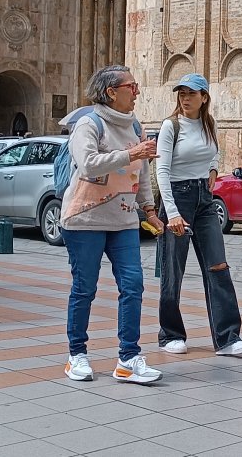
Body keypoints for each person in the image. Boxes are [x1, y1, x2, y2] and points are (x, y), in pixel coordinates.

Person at [58, 64, 165, 383]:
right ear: (111, 92)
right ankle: (76, 354)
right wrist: (132, 153)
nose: (137, 93)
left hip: (123, 219)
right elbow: (87, 163)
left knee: (132, 286)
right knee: (85, 288)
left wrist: (148, 209)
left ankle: (128, 359)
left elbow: (142, 172)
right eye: (131, 87)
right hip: (84, 218)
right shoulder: (88, 123)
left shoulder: (134, 125)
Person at [155, 73, 242, 357]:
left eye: (191, 93)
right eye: (182, 93)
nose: (185, 98)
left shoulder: (209, 123)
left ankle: (227, 338)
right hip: (178, 197)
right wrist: (171, 213)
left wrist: (212, 170)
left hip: (205, 200)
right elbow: (161, 171)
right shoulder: (170, 126)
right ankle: (170, 334)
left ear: (204, 97)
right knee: (173, 270)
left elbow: (213, 153)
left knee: (218, 266)